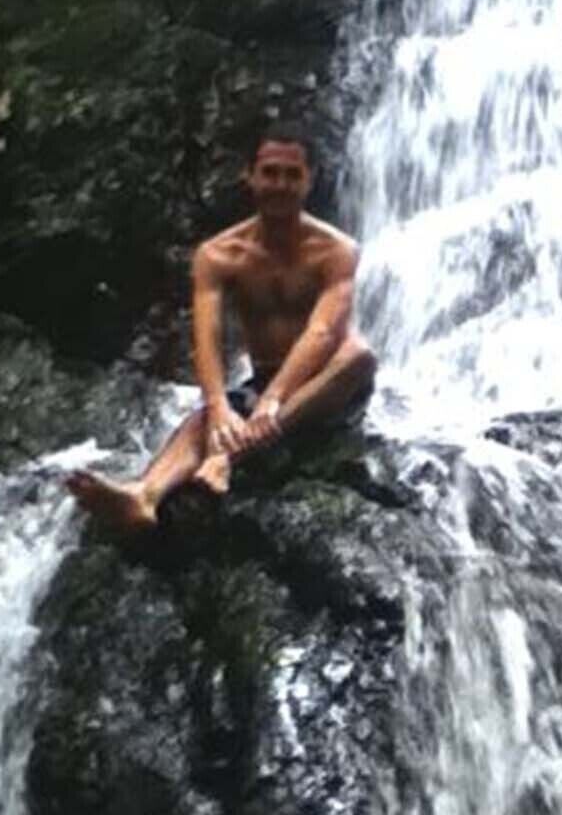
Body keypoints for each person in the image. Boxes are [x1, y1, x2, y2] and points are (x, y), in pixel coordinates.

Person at [67, 126, 376, 532]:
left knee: (359, 354)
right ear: (249, 176)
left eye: (292, 174)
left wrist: (273, 401)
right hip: (263, 381)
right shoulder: (217, 254)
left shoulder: (338, 250)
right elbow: (207, 339)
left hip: (330, 384)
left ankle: (226, 459)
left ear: (309, 180)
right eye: (270, 172)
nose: (280, 184)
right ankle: (145, 494)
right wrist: (218, 407)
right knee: (203, 420)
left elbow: (323, 332)